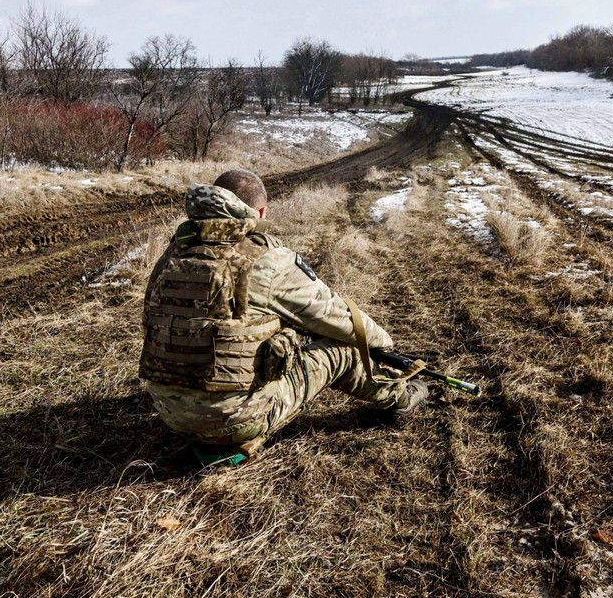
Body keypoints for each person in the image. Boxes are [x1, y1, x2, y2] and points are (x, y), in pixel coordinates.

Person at [139, 168, 428, 465]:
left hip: (168, 412)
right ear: (261, 210)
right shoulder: (266, 257)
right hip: (236, 420)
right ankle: (401, 399)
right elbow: (341, 319)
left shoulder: (174, 250)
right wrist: (384, 344)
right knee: (344, 349)